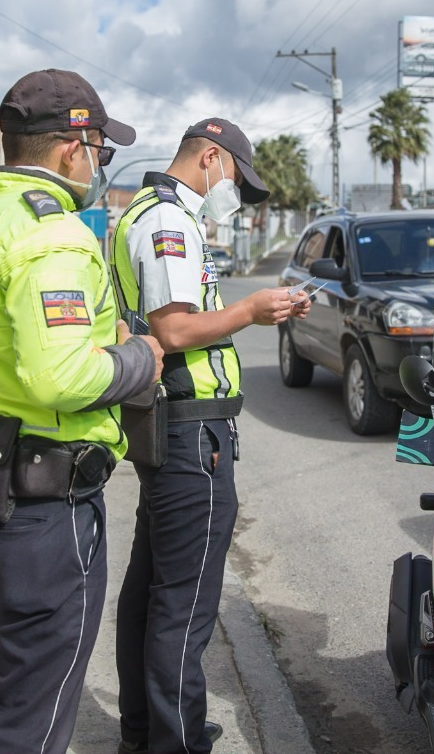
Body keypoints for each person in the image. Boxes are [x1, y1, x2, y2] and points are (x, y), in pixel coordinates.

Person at [0, 68, 164, 754]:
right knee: (36, 707)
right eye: (101, 150)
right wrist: (141, 356)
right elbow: (60, 375)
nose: (98, 164)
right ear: (72, 145)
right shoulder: (52, 236)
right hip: (45, 507)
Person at [110, 118, 310, 754]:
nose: (237, 195)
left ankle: (150, 730)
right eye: (236, 180)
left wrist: (260, 308)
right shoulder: (168, 221)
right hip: (192, 430)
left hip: (170, 425)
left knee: (150, 590)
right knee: (184, 604)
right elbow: (173, 331)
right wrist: (252, 311)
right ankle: (175, 742)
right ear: (211, 157)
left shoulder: (146, 210)